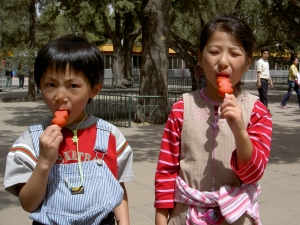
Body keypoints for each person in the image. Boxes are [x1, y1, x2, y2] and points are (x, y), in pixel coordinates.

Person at [4, 34, 133, 225]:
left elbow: (116, 187)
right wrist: (45, 161)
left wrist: (124, 221)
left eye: (73, 85)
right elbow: (28, 204)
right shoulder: (31, 141)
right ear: (40, 85)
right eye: (50, 85)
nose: (60, 96)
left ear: (94, 90)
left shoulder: (109, 136)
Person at [154, 15, 272, 225]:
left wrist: (240, 132)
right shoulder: (181, 108)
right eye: (214, 52)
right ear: (200, 57)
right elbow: (166, 169)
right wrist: (161, 218)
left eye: (235, 53)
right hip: (184, 216)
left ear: (247, 63)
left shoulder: (257, 112)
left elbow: (253, 174)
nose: (223, 62)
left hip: (236, 217)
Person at [256, 47, 274, 112]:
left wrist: (271, 81)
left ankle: (262, 110)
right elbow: (259, 72)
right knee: (264, 97)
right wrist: (259, 81)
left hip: (266, 80)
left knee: (263, 96)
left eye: (267, 53)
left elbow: (267, 72)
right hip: (262, 80)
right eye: (264, 53)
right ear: (261, 54)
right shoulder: (260, 61)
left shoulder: (266, 62)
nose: (266, 55)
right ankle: (265, 111)